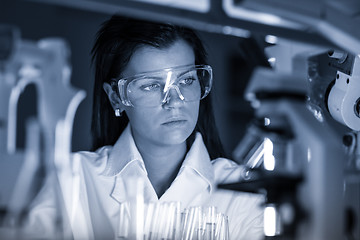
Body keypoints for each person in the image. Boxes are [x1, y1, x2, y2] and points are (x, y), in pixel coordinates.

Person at [25, 15, 264, 239]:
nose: (174, 101)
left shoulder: (241, 193)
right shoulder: (74, 179)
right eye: (150, 86)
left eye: (187, 80)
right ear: (116, 97)